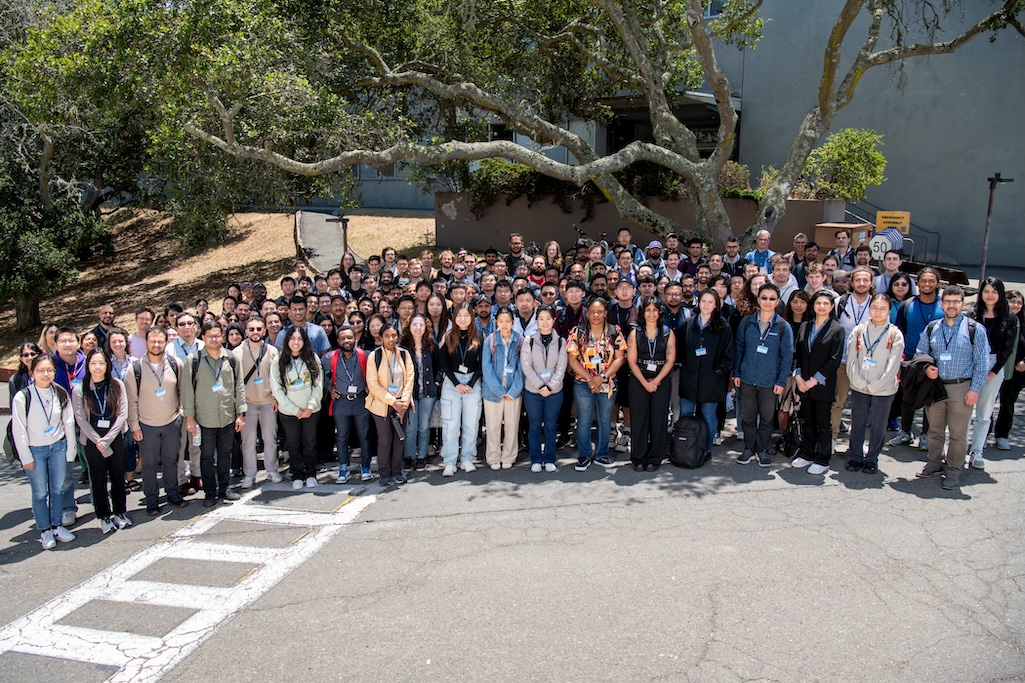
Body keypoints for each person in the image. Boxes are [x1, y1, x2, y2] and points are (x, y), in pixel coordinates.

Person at [915, 285, 991, 490]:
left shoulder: (975, 329)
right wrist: (927, 368)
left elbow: (982, 363)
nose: (951, 305)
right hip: (936, 387)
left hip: (962, 387)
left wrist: (974, 390)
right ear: (942, 304)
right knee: (935, 430)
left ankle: (954, 470)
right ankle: (933, 463)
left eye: (956, 301)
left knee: (958, 433)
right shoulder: (933, 327)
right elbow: (920, 353)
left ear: (962, 304)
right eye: (947, 301)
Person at [12, 355, 77, 550]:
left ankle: (57, 526)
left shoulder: (60, 392)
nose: (45, 374)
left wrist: (70, 450)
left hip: (57, 446)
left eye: (49, 370)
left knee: (58, 489)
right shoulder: (23, 396)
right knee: (40, 493)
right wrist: (26, 456)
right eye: (40, 370)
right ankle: (45, 530)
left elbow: (68, 421)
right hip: (35, 449)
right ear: (32, 373)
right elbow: (19, 429)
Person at [125, 328, 189, 515]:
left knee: (171, 461)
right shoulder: (135, 369)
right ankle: (152, 499)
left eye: (160, 341)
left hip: (171, 422)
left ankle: (172, 493)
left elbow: (181, 390)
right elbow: (132, 400)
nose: (156, 344)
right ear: (146, 342)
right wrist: (134, 425)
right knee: (149, 464)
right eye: (152, 341)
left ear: (165, 342)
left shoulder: (175, 363)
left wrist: (181, 413)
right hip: (146, 425)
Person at [183, 322, 247, 506]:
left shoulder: (231, 358)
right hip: (205, 418)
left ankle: (224, 488)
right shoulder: (193, 360)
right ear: (202, 337)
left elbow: (239, 387)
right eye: (210, 335)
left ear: (222, 336)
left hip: (227, 416)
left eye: (217, 335)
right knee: (207, 456)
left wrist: (241, 414)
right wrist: (190, 418)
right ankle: (210, 492)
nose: (214, 339)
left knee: (226, 454)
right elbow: (188, 391)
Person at [72, 349, 130, 534]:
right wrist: (99, 441)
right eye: (93, 363)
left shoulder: (117, 385)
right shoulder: (80, 389)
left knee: (118, 478)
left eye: (101, 363)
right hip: (92, 441)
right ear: (88, 366)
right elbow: (81, 420)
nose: (98, 367)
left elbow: (123, 414)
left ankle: (120, 512)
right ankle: (103, 516)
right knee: (98, 480)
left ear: (107, 365)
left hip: (115, 438)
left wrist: (108, 439)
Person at [734, 284, 793, 466]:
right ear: (758, 300)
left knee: (767, 419)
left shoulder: (783, 327)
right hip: (747, 378)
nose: (768, 302)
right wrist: (737, 372)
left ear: (777, 301)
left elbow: (786, 357)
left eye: (772, 298)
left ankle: (763, 449)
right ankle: (749, 448)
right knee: (748, 417)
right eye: (764, 298)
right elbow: (739, 349)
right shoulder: (746, 323)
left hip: (770, 382)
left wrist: (781, 380)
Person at [844, 294, 905, 473]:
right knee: (858, 422)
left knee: (879, 425)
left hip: (884, 388)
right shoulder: (859, 330)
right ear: (870, 308)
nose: (878, 312)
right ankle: (855, 457)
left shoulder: (895, 334)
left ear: (889, 311)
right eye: (875, 308)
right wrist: (858, 382)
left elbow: (893, 365)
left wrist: (874, 386)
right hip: (859, 385)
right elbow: (851, 360)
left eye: (883, 309)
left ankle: (872, 458)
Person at [566, 297, 627, 471]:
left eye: (600, 312)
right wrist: (590, 378)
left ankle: (601, 454)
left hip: (607, 383)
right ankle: (584, 455)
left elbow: (620, 358)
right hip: (583, 383)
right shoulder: (577, 332)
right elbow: (572, 359)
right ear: (587, 312)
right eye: (592, 312)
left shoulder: (614, 331)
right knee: (584, 420)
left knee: (604, 419)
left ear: (606, 312)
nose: (596, 315)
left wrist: (602, 377)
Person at [967, 277, 1019, 470]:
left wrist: (994, 372)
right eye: (986, 291)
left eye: (994, 291)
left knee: (984, 412)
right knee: (965, 408)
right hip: (970, 362)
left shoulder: (1008, 318)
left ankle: (977, 450)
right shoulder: (973, 313)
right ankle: (959, 448)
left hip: (994, 364)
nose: (990, 295)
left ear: (1000, 294)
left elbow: (1007, 350)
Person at [791, 291, 845, 475]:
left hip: (822, 385)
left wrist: (813, 381)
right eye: (818, 303)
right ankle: (806, 454)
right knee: (807, 420)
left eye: (825, 303)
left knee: (823, 423)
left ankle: (822, 458)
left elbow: (834, 360)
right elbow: (797, 354)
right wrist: (798, 377)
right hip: (803, 383)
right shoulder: (805, 326)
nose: (821, 306)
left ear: (831, 307)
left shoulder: (837, 329)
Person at [891, 267, 944, 450]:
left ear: (937, 283)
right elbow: (898, 333)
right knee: (907, 398)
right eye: (923, 281)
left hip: (934, 361)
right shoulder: (908, 305)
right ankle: (905, 432)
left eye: (931, 281)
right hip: (911, 359)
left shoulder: (943, 306)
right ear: (918, 283)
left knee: (930, 399)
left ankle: (926, 436)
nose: (927, 284)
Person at [678, 290, 733, 461]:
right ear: (698, 302)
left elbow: (728, 355)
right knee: (686, 413)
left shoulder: (723, 327)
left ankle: (706, 448)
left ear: (716, 305)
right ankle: (685, 446)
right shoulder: (688, 324)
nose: (706, 305)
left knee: (709, 415)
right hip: (689, 378)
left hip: (712, 381)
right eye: (703, 301)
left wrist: (718, 372)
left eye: (710, 302)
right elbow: (680, 349)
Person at [625, 297, 677, 471]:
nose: (652, 313)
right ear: (643, 312)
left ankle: (655, 457)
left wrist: (656, 381)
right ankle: (638, 457)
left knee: (658, 419)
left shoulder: (668, 332)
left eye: (655, 310)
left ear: (660, 312)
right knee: (639, 419)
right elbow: (631, 361)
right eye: (648, 310)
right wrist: (645, 383)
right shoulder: (635, 333)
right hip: (638, 379)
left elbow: (670, 360)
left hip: (660, 379)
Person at [270, 326, 323, 490]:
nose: (296, 342)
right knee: (293, 444)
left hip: (311, 411)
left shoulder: (312, 357)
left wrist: (310, 407)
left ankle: (310, 474)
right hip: (288, 412)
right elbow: (276, 388)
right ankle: (297, 474)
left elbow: (318, 384)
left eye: (299, 339)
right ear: (287, 341)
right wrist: (294, 410)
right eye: (292, 338)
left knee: (310, 443)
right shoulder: (278, 360)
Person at [233, 317, 281, 488]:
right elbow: (235, 382)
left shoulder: (272, 351)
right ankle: (250, 474)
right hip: (248, 403)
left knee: (270, 439)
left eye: (258, 329)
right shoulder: (237, 353)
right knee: (248, 441)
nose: (255, 332)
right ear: (246, 332)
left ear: (264, 331)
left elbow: (277, 378)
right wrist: (239, 408)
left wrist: (276, 398)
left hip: (269, 402)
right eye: (251, 329)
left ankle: (272, 470)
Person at [438, 303, 484, 476]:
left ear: (472, 317)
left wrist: (471, 383)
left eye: (466, 315)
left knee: (471, 423)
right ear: (454, 317)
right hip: (452, 384)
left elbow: (481, 364)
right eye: (459, 315)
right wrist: (456, 383)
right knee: (450, 424)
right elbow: (443, 362)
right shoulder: (448, 336)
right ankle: (449, 461)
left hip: (472, 382)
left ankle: (467, 458)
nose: (462, 319)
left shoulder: (479, 336)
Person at [365, 323, 414, 487]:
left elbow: (410, 380)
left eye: (394, 335)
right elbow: (373, 384)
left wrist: (403, 403)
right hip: (382, 404)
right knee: (385, 439)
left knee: (400, 438)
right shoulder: (374, 356)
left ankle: (397, 471)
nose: (391, 339)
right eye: (387, 336)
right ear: (381, 337)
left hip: (402, 403)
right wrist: (393, 401)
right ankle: (384, 472)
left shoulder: (405, 355)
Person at [322, 326, 373, 482]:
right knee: (342, 436)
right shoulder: (329, 357)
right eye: (343, 338)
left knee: (364, 435)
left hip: (360, 400)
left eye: (350, 338)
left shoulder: (365, 355)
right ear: (338, 341)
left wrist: (369, 384)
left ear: (355, 339)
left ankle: (366, 466)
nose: (347, 341)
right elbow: (320, 375)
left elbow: (375, 373)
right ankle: (343, 468)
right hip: (341, 401)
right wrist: (330, 388)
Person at [831, 266, 875, 445]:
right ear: (852, 282)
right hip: (842, 360)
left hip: (867, 363)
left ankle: (857, 444)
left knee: (862, 407)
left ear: (871, 283)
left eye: (865, 280)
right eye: (858, 280)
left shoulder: (877, 303)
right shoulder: (840, 302)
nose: (862, 283)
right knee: (838, 401)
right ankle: (832, 438)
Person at [521, 305, 567, 473]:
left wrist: (550, 386)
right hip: (533, 391)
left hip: (554, 392)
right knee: (534, 426)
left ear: (554, 320)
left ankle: (549, 458)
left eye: (548, 318)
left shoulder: (561, 341)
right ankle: (535, 458)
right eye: (541, 319)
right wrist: (540, 385)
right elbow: (526, 366)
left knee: (550, 426)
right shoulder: (529, 340)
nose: (545, 322)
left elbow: (561, 367)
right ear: (537, 321)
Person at [482, 308, 525, 470]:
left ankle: (509, 456)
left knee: (511, 425)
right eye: (501, 321)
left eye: (508, 321)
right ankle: (493, 457)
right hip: (493, 392)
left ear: (513, 322)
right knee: (492, 426)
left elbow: (522, 368)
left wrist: (513, 391)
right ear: (496, 322)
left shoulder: (520, 340)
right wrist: (499, 391)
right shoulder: (490, 341)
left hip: (513, 391)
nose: (504, 325)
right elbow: (486, 368)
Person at [401, 314, 440, 472]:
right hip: (410, 393)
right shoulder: (403, 346)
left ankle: (422, 456)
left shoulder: (431, 344)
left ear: (426, 327)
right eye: (415, 325)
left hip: (428, 393)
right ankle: (409, 456)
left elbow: (440, 365)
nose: (418, 328)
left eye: (421, 325)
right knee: (411, 427)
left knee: (424, 427)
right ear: (409, 327)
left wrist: (437, 382)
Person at [994, 290, 1025, 451]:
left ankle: (1002, 435)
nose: (1016, 305)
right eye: (1013, 301)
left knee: (1008, 403)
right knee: (988, 403)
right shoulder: (999, 320)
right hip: (995, 368)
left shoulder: (1023, 323)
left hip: (1016, 372)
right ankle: (983, 436)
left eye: (1020, 302)